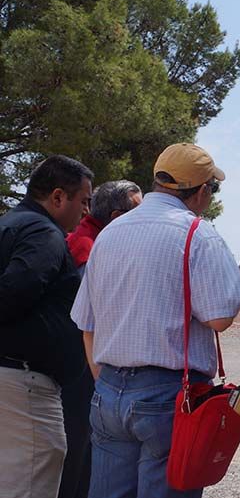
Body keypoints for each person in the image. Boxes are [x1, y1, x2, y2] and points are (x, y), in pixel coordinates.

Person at [71, 143, 240, 498]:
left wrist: (104, 380)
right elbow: (220, 318)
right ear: (200, 192)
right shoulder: (197, 234)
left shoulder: (109, 233)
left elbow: (85, 321)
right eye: (212, 189)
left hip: (108, 389)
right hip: (169, 394)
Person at [0, 155, 94, 497]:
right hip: (24, 384)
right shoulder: (43, 233)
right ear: (58, 197)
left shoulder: (12, 223)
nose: (86, 211)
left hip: (14, 381)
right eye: (83, 201)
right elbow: (16, 289)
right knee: (31, 479)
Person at [59, 180, 143, 498]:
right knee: (80, 451)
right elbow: (90, 316)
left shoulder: (96, 238)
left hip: (85, 360)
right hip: (82, 364)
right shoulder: (88, 246)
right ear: (118, 215)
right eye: (139, 208)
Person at [67, 180, 143, 274]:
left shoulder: (91, 233)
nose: (144, 218)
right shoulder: (88, 250)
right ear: (117, 217)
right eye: (138, 212)